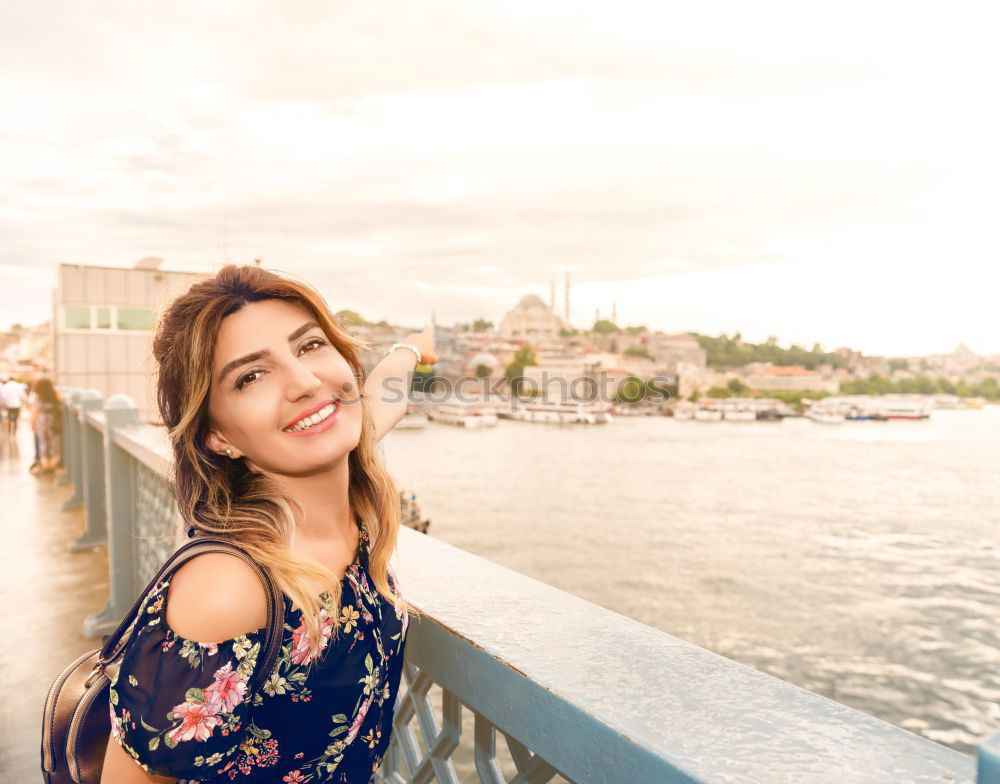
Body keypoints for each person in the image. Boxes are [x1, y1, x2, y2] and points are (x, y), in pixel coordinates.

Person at [101, 264, 436, 784]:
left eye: (309, 347)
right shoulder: (230, 588)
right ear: (218, 437)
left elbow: (380, 394)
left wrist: (414, 347)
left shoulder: (343, 488)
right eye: (251, 376)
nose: (305, 383)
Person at [28, 377, 61, 475]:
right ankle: (53, 465)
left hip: (41, 422)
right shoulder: (55, 396)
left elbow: (34, 413)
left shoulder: (38, 398)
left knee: (43, 444)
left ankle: (45, 466)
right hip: (53, 422)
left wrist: (32, 424)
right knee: (54, 443)